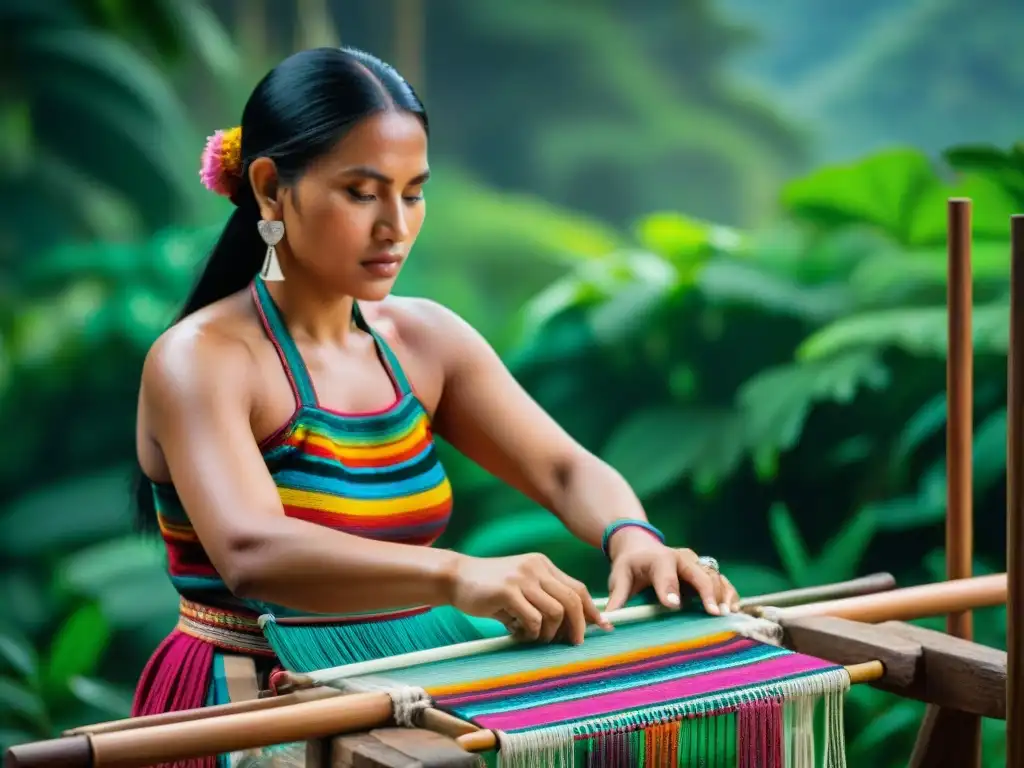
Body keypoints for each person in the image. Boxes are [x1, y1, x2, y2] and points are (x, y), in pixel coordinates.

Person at [132, 45, 739, 763]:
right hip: (247, 699)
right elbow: (252, 552)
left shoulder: (425, 340)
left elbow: (564, 470)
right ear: (270, 189)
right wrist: (459, 574)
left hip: (412, 683)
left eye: (412, 191)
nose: (395, 224)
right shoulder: (201, 358)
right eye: (362, 193)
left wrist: (632, 536)